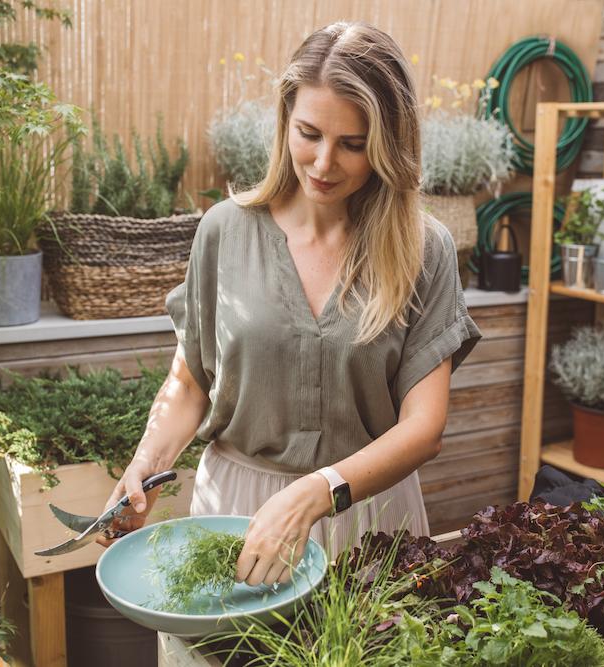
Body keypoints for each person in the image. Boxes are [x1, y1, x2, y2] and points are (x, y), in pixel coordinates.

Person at [97, 21, 481, 588]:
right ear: (284, 121)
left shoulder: (423, 250)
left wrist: (320, 490)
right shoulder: (224, 232)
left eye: (353, 144)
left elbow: (424, 427)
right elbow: (190, 382)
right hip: (236, 517)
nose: (324, 164)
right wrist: (147, 463)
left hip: (368, 519)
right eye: (309, 133)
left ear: (387, 145)